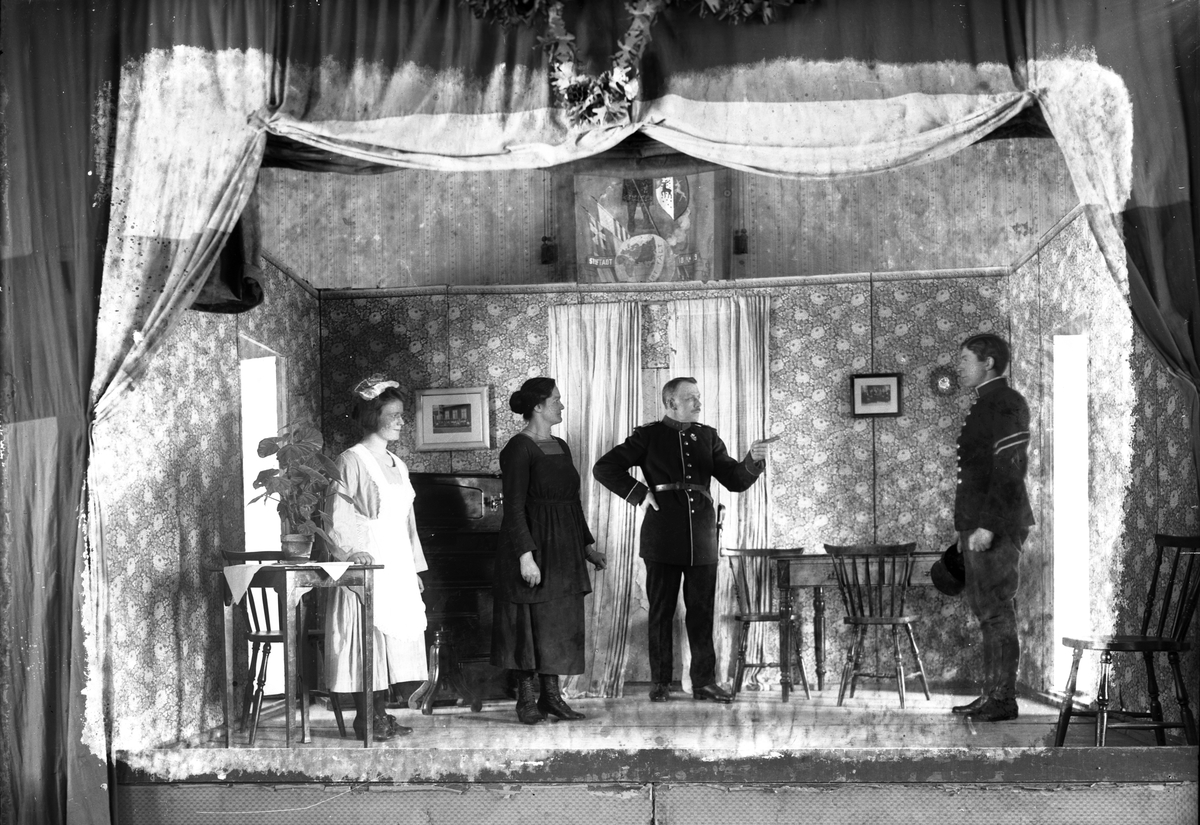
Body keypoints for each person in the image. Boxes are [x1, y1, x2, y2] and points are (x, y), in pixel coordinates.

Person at [593, 377, 772, 704]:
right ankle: (660, 682)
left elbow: (734, 480)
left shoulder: (708, 437)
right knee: (660, 612)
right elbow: (604, 468)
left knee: (701, 612)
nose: (698, 403)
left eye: (698, 397)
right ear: (671, 403)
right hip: (661, 534)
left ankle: (704, 683)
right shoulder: (648, 436)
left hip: (702, 536)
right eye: (691, 398)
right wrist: (639, 494)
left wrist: (752, 460)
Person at [491, 377, 606, 725]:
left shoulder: (561, 445)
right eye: (556, 400)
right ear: (538, 407)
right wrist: (525, 556)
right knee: (528, 623)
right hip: (533, 546)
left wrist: (587, 547)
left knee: (556, 623)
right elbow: (513, 507)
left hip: (564, 549)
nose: (561, 405)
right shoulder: (518, 448)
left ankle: (552, 698)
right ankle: (526, 699)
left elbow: (572, 502)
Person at [324, 375, 429, 741]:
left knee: (389, 644)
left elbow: (408, 523)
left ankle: (381, 713)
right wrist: (353, 554)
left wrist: (414, 569)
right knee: (367, 640)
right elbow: (337, 515)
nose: (402, 421)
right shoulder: (351, 460)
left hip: (397, 560)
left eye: (401, 414)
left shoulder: (398, 464)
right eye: (394, 415)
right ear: (373, 417)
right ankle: (366, 717)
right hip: (368, 559)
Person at [950, 334, 1034, 722]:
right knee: (988, 613)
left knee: (997, 612)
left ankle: (1003, 699)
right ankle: (991, 695)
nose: (959, 366)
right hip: (978, 523)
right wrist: (965, 528)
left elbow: (1010, 468)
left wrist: (987, 525)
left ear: (989, 362)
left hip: (996, 524)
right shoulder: (987, 402)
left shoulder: (1006, 402)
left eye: (965, 359)